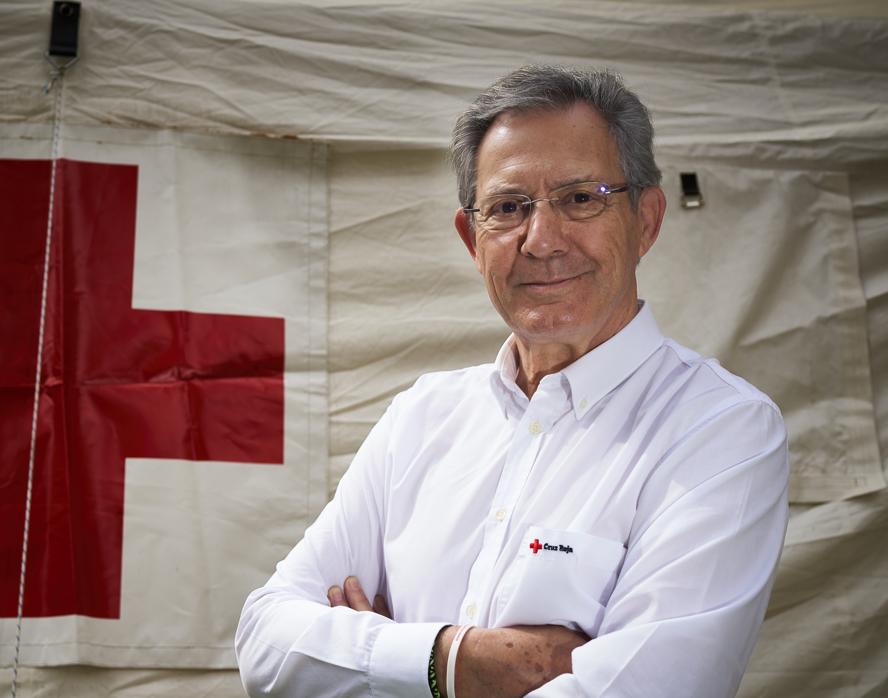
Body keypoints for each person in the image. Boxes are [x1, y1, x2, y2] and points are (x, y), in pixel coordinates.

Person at [235, 65, 789, 698]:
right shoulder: (422, 416)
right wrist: (457, 661)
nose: (542, 239)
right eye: (507, 208)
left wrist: (371, 661)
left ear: (647, 221)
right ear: (473, 240)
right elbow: (265, 646)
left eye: (582, 198)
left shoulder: (722, 428)